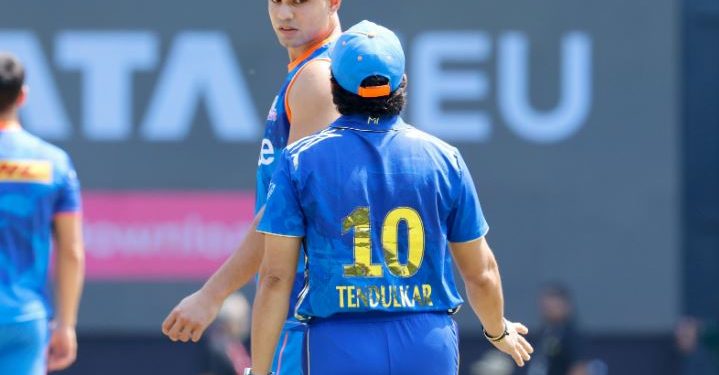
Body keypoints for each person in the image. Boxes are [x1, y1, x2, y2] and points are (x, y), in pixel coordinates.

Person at [249, 20, 533, 375]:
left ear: (334, 86)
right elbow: (481, 273)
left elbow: (276, 277)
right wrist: (497, 330)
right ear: (403, 83)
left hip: (339, 343)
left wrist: (260, 370)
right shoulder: (445, 159)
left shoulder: (299, 161)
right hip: (426, 343)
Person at [162, 1, 342, 374]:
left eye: (298, 2)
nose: (285, 14)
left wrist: (212, 294)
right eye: (276, 1)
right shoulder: (313, 70)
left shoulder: (318, 78)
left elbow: (284, 208)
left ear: (333, 2)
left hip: (309, 317)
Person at [0, 52, 85, 374]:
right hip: (26, 318)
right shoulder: (54, 163)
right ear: (23, 96)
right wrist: (66, 324)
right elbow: (72, 251)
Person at [527, 284, 587, 375]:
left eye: (555, 306)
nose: (549, 309)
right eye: (546, 307)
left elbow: (579, 368)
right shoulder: (542, 334)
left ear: (566, 306)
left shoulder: (572, 336)